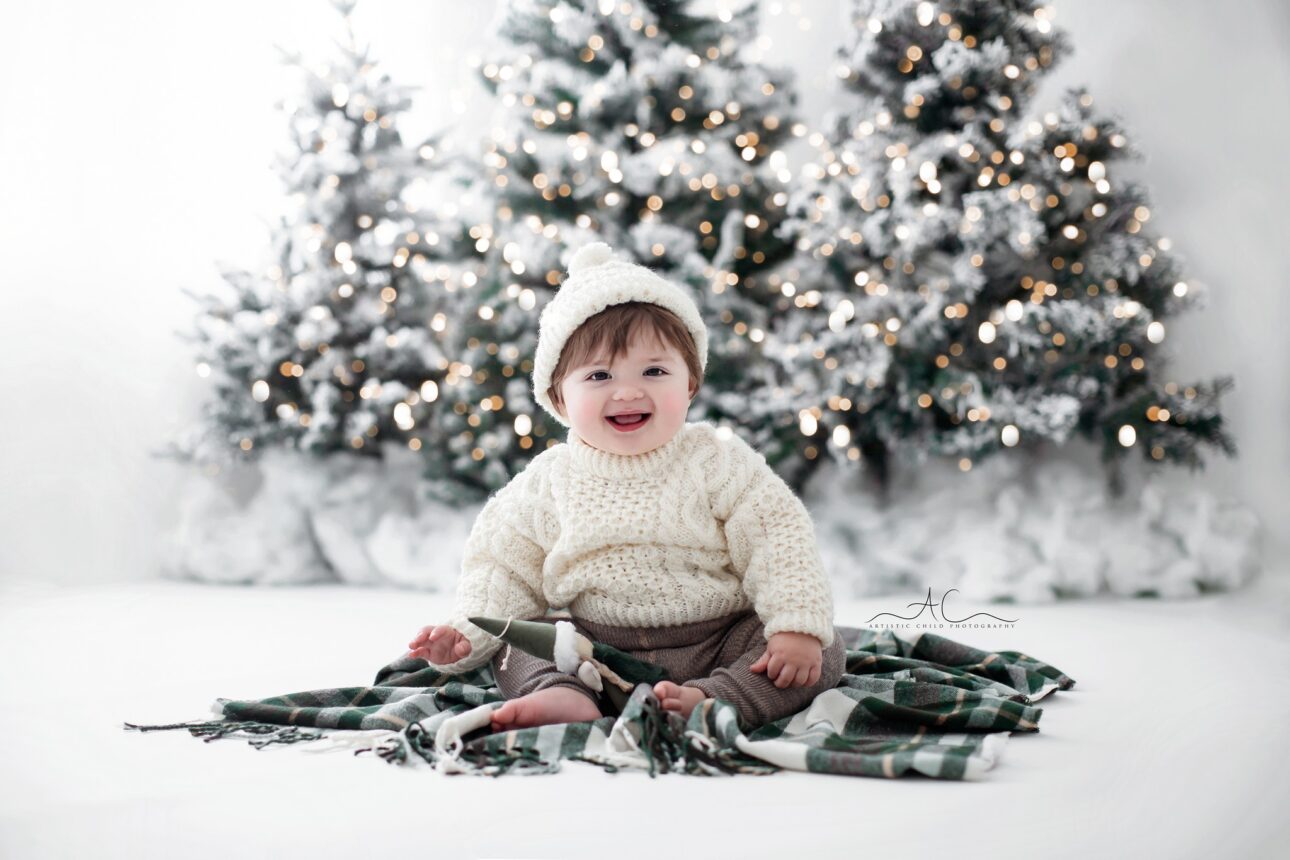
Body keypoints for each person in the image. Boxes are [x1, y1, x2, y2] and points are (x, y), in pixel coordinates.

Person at [406, 241, 845, 735]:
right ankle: (561, 695)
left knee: (821, 651)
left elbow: (777, 537)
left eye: (655, 371)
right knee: (519, 643)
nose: (629, 391)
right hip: (593, 650)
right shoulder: (548, 482)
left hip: (719, 638)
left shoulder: (719, 462)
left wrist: (793, 627)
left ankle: (714, 697)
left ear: (691, 384)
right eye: (599, 375)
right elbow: (502, 567)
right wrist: (466, 636)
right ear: (560, 399)